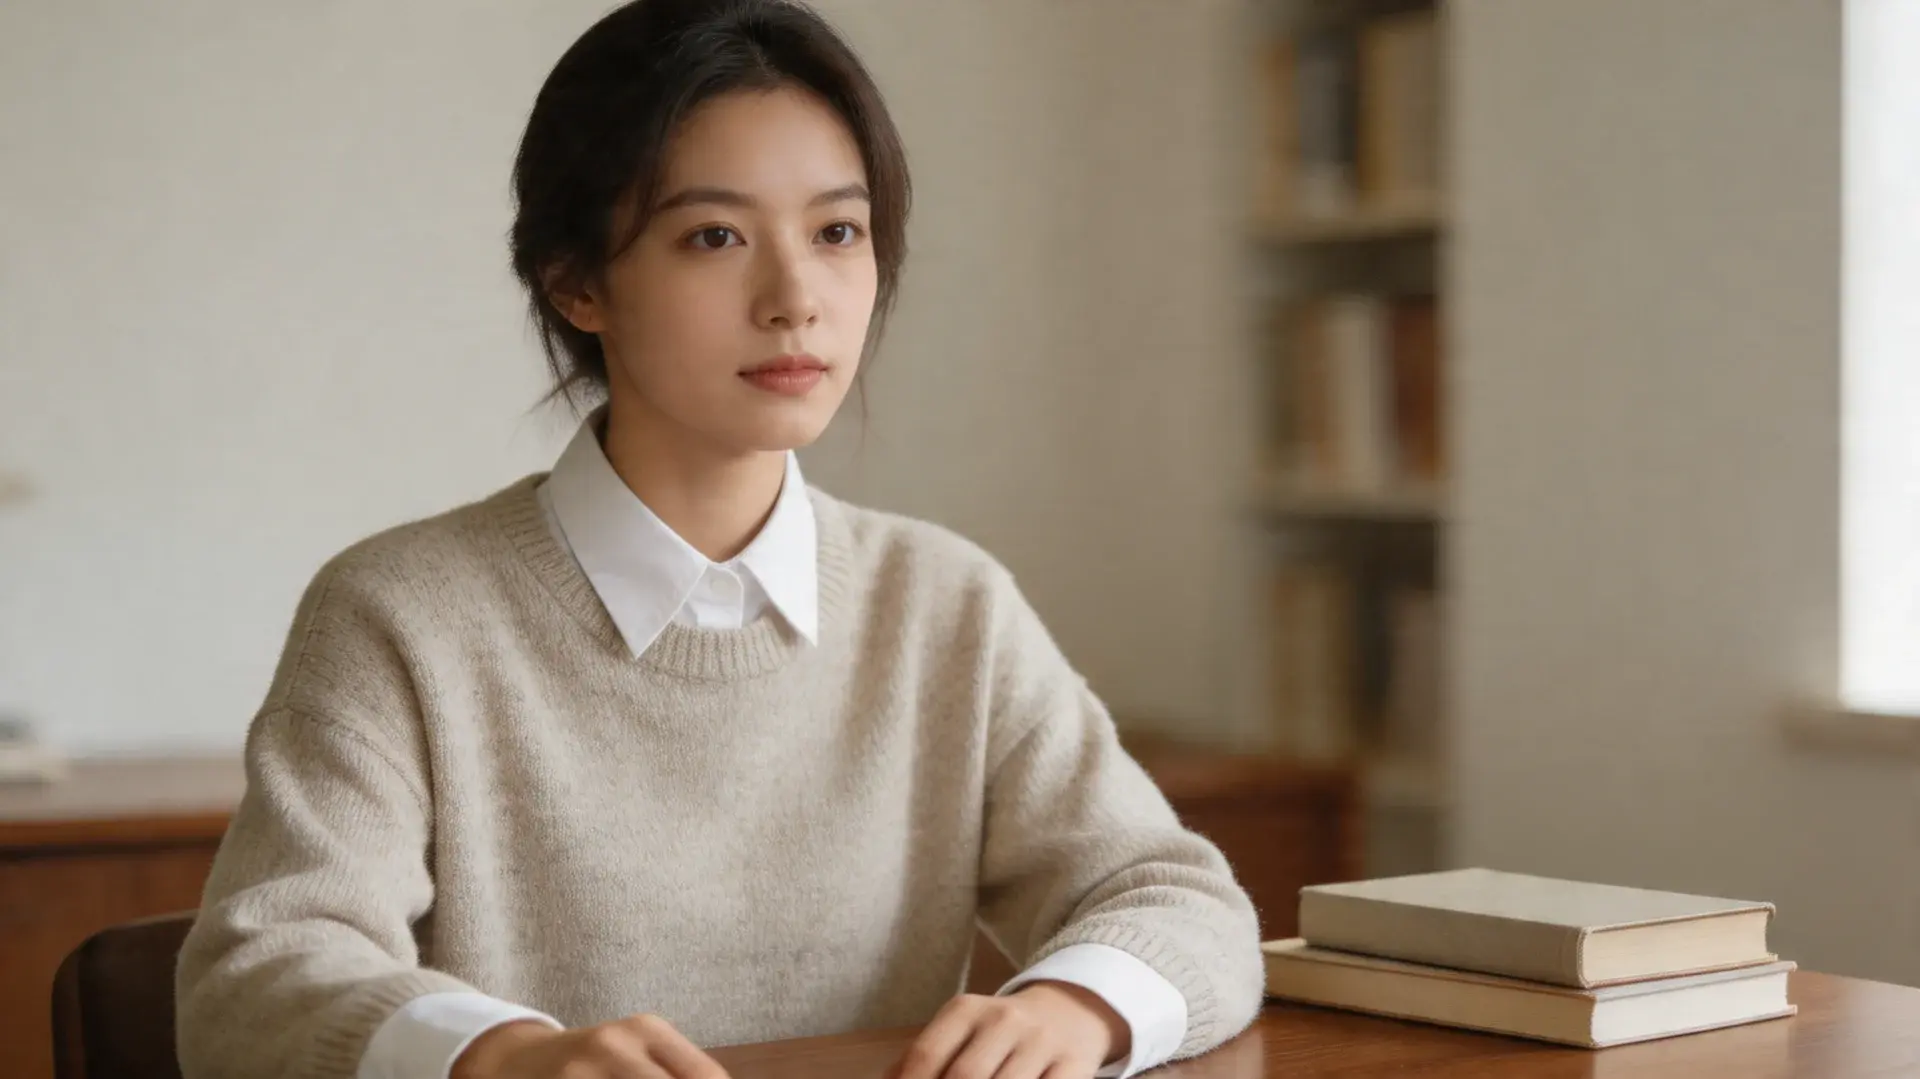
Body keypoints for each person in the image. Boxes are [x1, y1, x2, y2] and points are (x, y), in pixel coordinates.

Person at [173, 2, 1264, 1077]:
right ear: (577, 282)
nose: (797, 299)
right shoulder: (400, 611)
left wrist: (1080, 1004)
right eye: (714, 237)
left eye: (838, 231)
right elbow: (257, 973)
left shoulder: (943, 600)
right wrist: (502, 1056)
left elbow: (1179, 896)